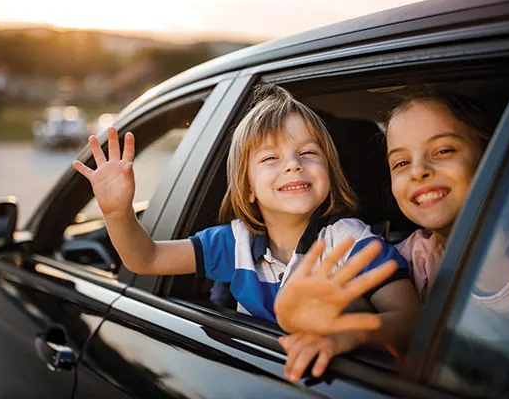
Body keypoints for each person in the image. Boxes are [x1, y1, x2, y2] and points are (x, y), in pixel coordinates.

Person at [73, 84, 419, 381]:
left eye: (309, 153)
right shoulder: (231, 243)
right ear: (247, 186)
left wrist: (346, 335)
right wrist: (117, 212)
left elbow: (410, 320)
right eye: (270, 158)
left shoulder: (348, 242)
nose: (293, 164)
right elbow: (145, 258)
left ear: (329, 173)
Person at [275, 90, 509, 383]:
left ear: (492, 156)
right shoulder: (411, 259)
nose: (418, 171)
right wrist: (319, 323)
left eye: (444, 150)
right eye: (401, 163)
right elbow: (396, 322)